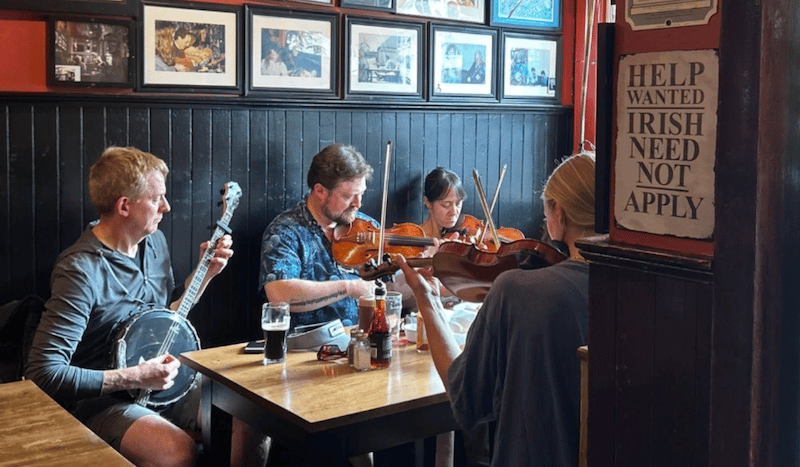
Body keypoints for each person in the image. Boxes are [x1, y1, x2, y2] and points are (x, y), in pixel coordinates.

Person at [25, 146, 264, 467]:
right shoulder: (80, 270)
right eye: (156, 198)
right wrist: (135, 377)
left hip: (160, 382)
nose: (166, 206)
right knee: (176, 452)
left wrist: (205, 273)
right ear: (124, 205)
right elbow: (43, 373)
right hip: (102, 400)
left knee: (251, 416)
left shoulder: (154, 243)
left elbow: (166, 316)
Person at [397, 152, 596, 467]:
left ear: (558, 213)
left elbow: (465, 399)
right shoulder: (637, 287)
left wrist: (428, 300)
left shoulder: (517, 290)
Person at [260, 143, 376, 333]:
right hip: (311, 347)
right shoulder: (285, 231)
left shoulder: (367, 228)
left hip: (368, 341)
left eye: (361, 194)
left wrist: (416, 281)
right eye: (349, 196)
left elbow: (391, 287)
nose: (358, 203)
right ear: (320, 191)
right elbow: (280, 294)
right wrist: (348, 287)